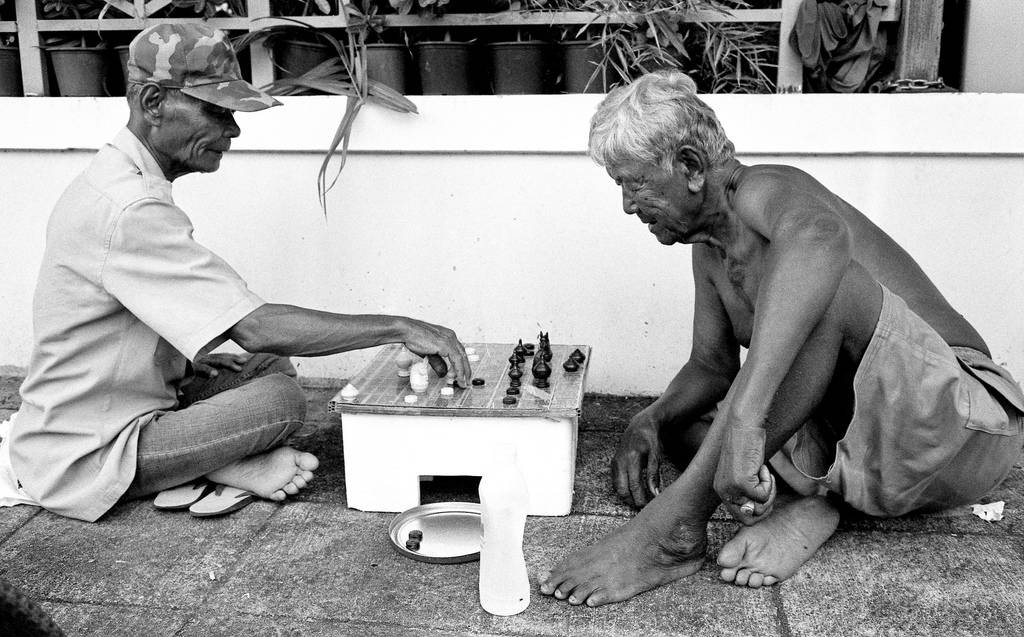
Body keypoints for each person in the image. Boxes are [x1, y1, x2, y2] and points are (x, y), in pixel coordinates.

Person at [539, 70, 1024, 606]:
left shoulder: (766, 189)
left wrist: (748, 419)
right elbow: (709, 366)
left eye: (633, 184)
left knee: (826, 288)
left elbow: (822, 239)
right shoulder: (709, 251)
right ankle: (816, 503)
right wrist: (649, 418)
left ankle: (675, 528)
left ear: (691, 167)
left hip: (962, 426)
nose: (629, 205)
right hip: (870, 454)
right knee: (688, 428)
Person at [5, 23, 470, 522]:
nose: (233, 130)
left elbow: (124, 318)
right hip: (86, 453)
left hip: (125, 405)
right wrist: (399, 327)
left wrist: (180, 366)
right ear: (152, 101)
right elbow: (255, 327)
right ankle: (219, 465)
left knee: (267, 367)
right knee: (282, 401)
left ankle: (218, 460)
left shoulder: (119, 180)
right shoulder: (129, 207)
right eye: (216, 110)